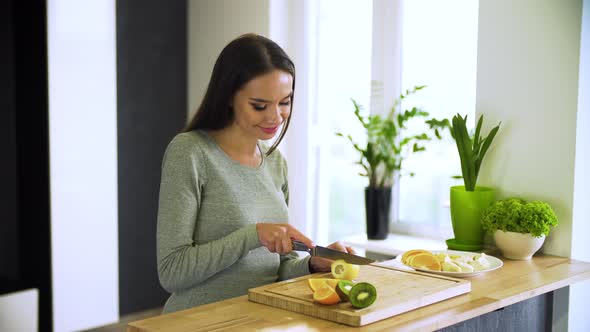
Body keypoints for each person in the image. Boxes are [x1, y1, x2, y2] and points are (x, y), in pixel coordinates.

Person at [156, 33, 356, 313]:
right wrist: (253, 235)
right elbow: (172, 271)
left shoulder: (275, 163)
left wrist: (311, 264)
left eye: (285, 102)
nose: (275, 117)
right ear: (228, 96)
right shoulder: (190, 152)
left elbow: (276, 269)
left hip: (258, 322)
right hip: (196, 322)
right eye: (260, 105)